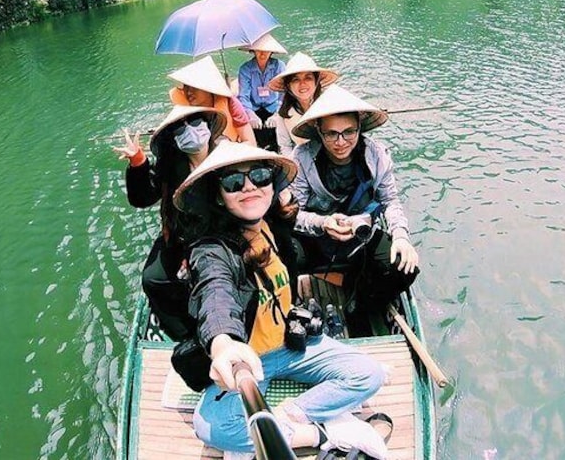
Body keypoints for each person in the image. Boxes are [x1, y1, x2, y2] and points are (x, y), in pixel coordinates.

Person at [173, 141, 390, 459]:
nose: (249, 187)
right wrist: (224, 344)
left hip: (289, 344)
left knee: (370, 373)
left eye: (259, 176)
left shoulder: (272, 224)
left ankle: (290, 418)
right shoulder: (212, 250)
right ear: (218, 196)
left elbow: (304, 220)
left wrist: (337, 222)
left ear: (271, 185)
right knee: (212, 428)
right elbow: (215, 294)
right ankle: (326, 433)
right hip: (247, 362)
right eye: (234, 182)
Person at [289, 85, 420, 336]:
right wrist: (323, 223)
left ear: (359, 128)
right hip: (316, 237)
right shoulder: (303, 157)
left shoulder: (377, 155)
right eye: (331, 134)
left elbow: (390, 200)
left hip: (361, 238)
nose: (340, 142)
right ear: (319, 131)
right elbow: (294, 212)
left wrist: (401, 237)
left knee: (405, 268)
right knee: (281, 254)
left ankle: (361, 300)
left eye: (349, 132)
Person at [112, 105, 227, 341]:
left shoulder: (227, 157)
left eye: (195, 123)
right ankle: (185, 334)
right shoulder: (171, 165)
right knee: (153, 279)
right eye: (180, 130)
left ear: (206, 125)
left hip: (223, 238)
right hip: (180, 237)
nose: (191, 132)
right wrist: (138, 162)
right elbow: (142, 198)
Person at [168, 55, 256, 146]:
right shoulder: (182, 111)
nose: (189, 92)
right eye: (186, 86)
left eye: (194, 87)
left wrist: (230, 150)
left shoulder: (231, 103)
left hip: (230, 150)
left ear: (208, 88)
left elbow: (251, 142)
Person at [267, 52, 339, 158]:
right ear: (288, 86)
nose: (302, 84)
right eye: (296, 80)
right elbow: (285, 146)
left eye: (308, 78)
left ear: (316, 81)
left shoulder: (330, 105)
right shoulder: (284, 114)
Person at [236, 33, 287, 150]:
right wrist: (250, 114)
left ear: (271, 51)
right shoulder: (245, 69)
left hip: (274, 106)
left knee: (277, 128)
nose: (262, 53)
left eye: (266, 50)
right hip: (253, 107)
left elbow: (283, 94)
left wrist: (277, 114)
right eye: (258, 50)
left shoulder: (279, 66)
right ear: (253, 50)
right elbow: (243, 96)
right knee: (255, 130)